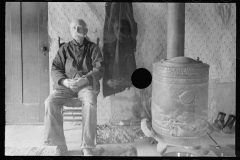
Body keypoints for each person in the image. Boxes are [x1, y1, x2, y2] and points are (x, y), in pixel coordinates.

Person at [43, 19, 104, 156]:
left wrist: (85, 79)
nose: (76, 31)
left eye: (79, 28)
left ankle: (87, 146)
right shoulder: (64, 49)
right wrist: (64, 81)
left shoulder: (93, 48)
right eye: (73, 28)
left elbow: (99, 68)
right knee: (49, 102)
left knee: (90, 102)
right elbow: (55, 68)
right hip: (66, 87)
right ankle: (60, 145)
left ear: (86, 31)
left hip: (85, 86)